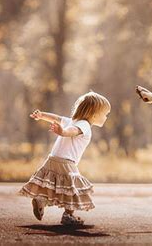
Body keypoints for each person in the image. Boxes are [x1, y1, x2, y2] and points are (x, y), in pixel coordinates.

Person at [19, 91, 110, 226]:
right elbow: (73, 131)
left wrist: (42, 115)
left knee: (51, 184)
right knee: (72, 190)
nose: (106, 117)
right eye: (105, 114)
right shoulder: (84, 125)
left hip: (53, 158)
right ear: (94, 114)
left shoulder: (71, 121)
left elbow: (55, 118)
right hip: (67, 162)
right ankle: (68, 215)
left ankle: (40, 200)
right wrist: (63, 132)